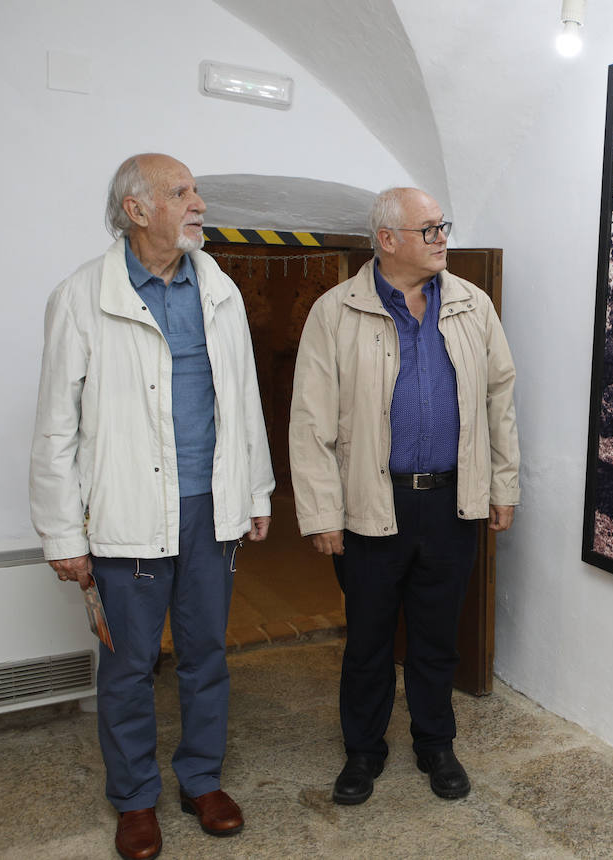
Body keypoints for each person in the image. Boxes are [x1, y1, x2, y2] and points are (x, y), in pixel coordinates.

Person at [30, 153, 274, 860]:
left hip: (208, 508)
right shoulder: (81, 296)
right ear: (137, 211)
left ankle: (201, 778)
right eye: (180, 192)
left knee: (206, 656)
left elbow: (244, 399)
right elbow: (54, 425)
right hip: (128, 510)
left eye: (196, 191)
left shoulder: (219, 290)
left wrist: (254, 489)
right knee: (130, 667)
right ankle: (135, 799)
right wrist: (60, 533)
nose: (198, 202)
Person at [289, 187, 520, 806]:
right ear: (387, 240)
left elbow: (500, 401)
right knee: (367, 639)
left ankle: (434, 743)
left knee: (436, 636)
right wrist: (321, 512)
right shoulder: (335, 313)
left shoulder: (474, 306)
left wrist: (503, 486)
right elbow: (310, 423)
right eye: (429, 229)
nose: (443, 237)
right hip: (370, 504)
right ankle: (363, 751)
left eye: (443, 226)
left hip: (450, 503)